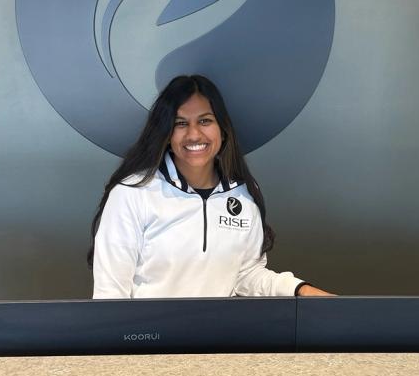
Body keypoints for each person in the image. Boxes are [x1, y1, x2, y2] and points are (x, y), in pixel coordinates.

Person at [87, 74, 332, 298]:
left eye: (205, 121)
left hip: (219, 341)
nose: (194, 135)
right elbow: (110, 294)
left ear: (222, 130)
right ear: (166, 134)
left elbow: (246, 275)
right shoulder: (132, 193)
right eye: (181, 123)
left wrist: (300, 290)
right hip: (150, 343)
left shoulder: (244, 192)